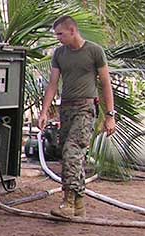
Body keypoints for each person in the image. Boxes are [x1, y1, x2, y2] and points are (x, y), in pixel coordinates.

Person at [38, 16, 116, 218]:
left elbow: (106, 83)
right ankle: (78, 204)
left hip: (85, 108)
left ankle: (68, 201)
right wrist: (45, 111)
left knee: (72, 152)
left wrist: (110, 115)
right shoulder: (59, 54)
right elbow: (53, 84)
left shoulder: (94, 51)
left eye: (60, 34)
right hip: (66, 109)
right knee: (69, 156)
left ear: (72, 30)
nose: (58, 38)